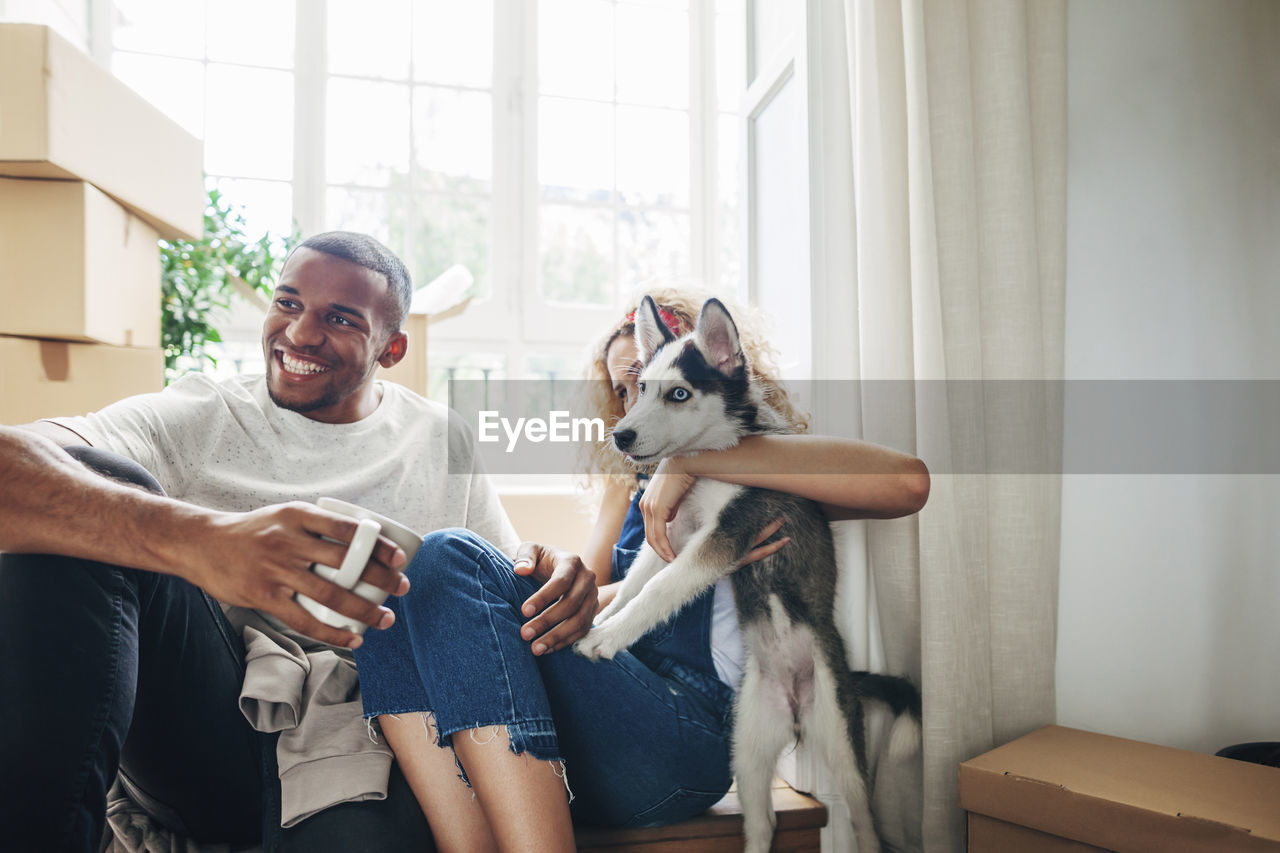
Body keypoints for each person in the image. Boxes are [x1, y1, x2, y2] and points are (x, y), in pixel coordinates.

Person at [0, 232, 601, 852]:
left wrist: (557, 574)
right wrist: (203, 540)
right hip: (209, 727)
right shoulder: (198, 415)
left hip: (376, 734)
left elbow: (488, 589)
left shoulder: (439, 436)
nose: (301, 333)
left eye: (339, 319)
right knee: (93, 490)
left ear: (391, 348)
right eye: (287, 304)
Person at [353, 289, 931, 852]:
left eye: (656, 387)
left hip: (690, 734)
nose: (636, 409)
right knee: (397, 586)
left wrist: (691, 460)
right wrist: (562, 579)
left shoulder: (774, 472)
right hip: (616, 715)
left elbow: (906, 483)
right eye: (626, 389)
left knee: (448, 553)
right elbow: (603, 600)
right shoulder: (633, 489)